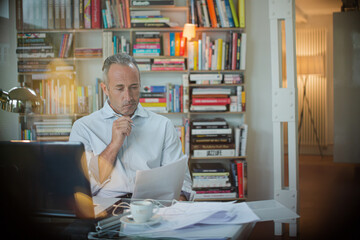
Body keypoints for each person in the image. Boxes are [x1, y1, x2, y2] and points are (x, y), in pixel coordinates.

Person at [69, 53, 192, 200]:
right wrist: (114, 145)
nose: (128, 97)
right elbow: (81, 188)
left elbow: (182, 184)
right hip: (105, 208)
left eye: (133, 87)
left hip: (153, 207)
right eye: (119, 88)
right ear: (105, 89)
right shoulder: (83, 127)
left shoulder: (163, 125)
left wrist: (175, 213)